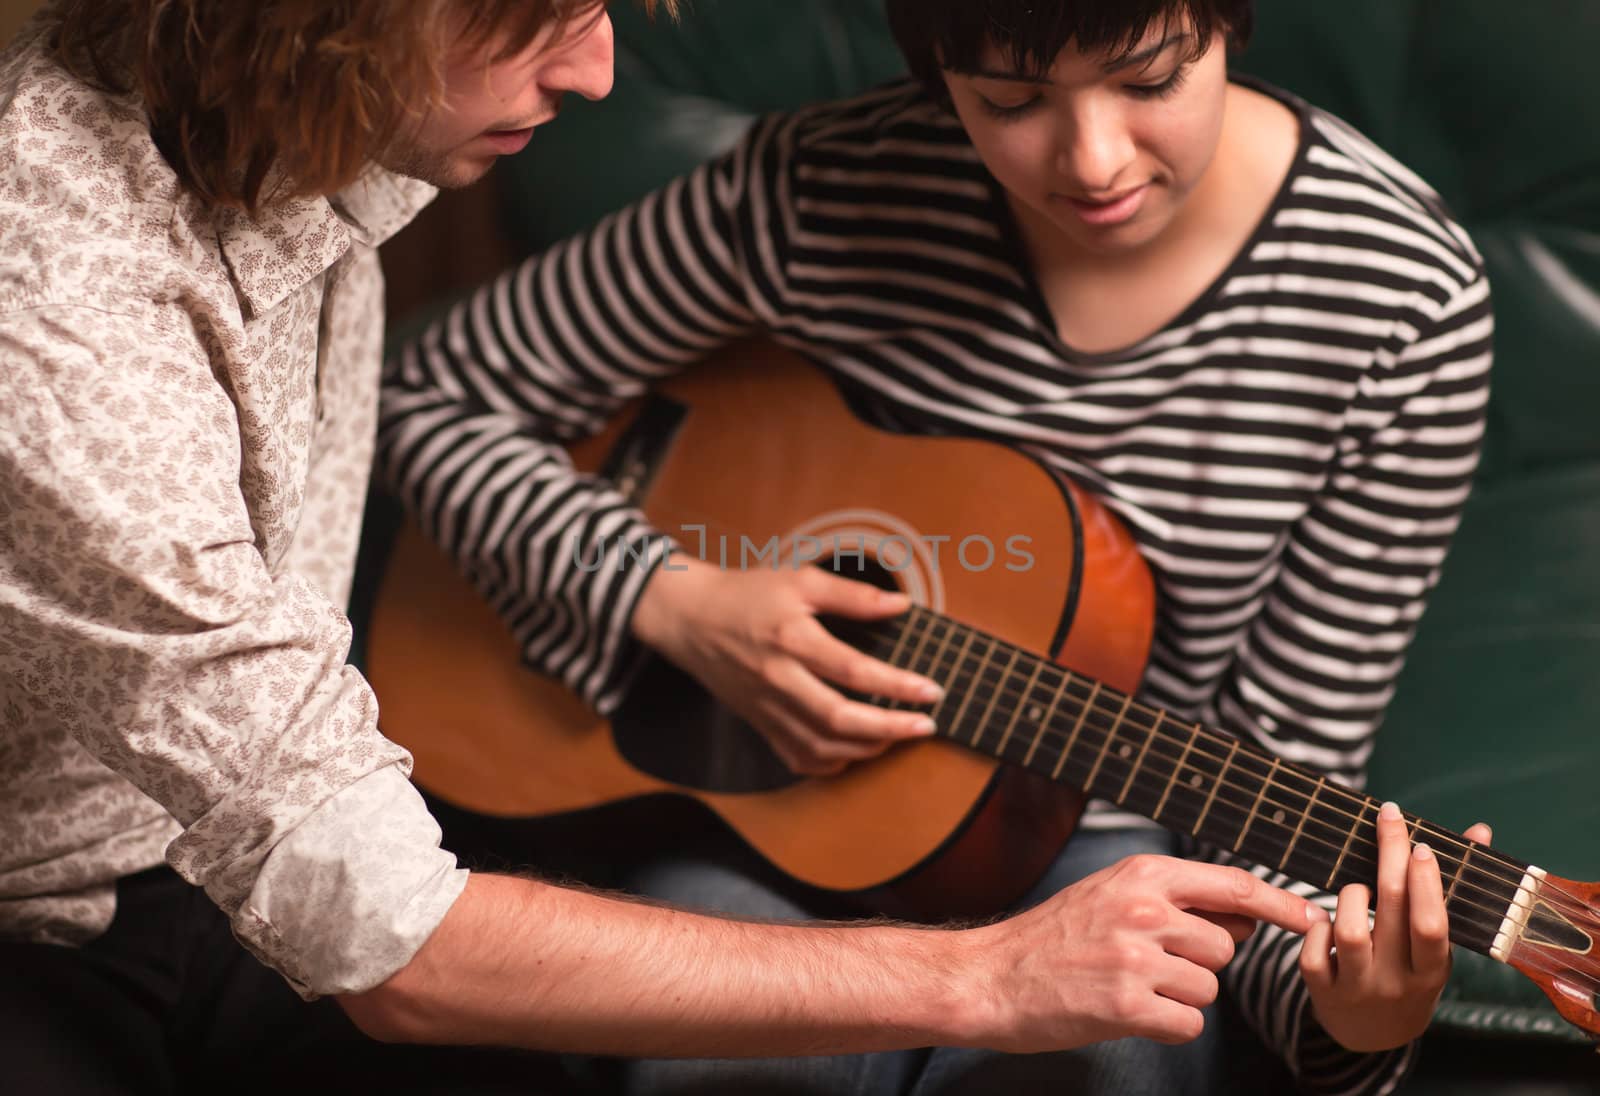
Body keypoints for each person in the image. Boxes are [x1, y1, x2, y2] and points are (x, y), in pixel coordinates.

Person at [0, 1, 1348, 1093]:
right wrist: (987, 977)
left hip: (221, 873)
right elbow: (392, 939)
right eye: (535, 15)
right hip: (49, 926)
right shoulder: (59, 305)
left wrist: (1343, 1016)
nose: (598, 69)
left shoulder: (330, 156)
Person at [377, 0, 1497, 1093]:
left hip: (1115, 838)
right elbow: (431, 395)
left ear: (1226, 23)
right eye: (1009, 98)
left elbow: (1280, 788)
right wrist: (667, 600)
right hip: (763, 822)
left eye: (1151, 79)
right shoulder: (819, 187)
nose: (1093, 160)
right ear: (937, 68)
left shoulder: (1404, 297)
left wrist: (1347, 1023)